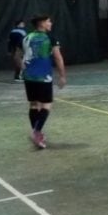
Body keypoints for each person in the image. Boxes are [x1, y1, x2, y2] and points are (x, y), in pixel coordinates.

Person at [22, 15, 66, 149]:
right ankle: (37, 131)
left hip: (28, 76)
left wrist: (24, 68)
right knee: (47, 105)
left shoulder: (26, 37)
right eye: (48, 21)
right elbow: (58, 58)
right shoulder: (50, 38)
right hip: (43, 77)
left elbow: (18, 56)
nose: (51, 23)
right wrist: (62, 76)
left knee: (34, 104)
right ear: (41, 23)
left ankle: (37, 131)